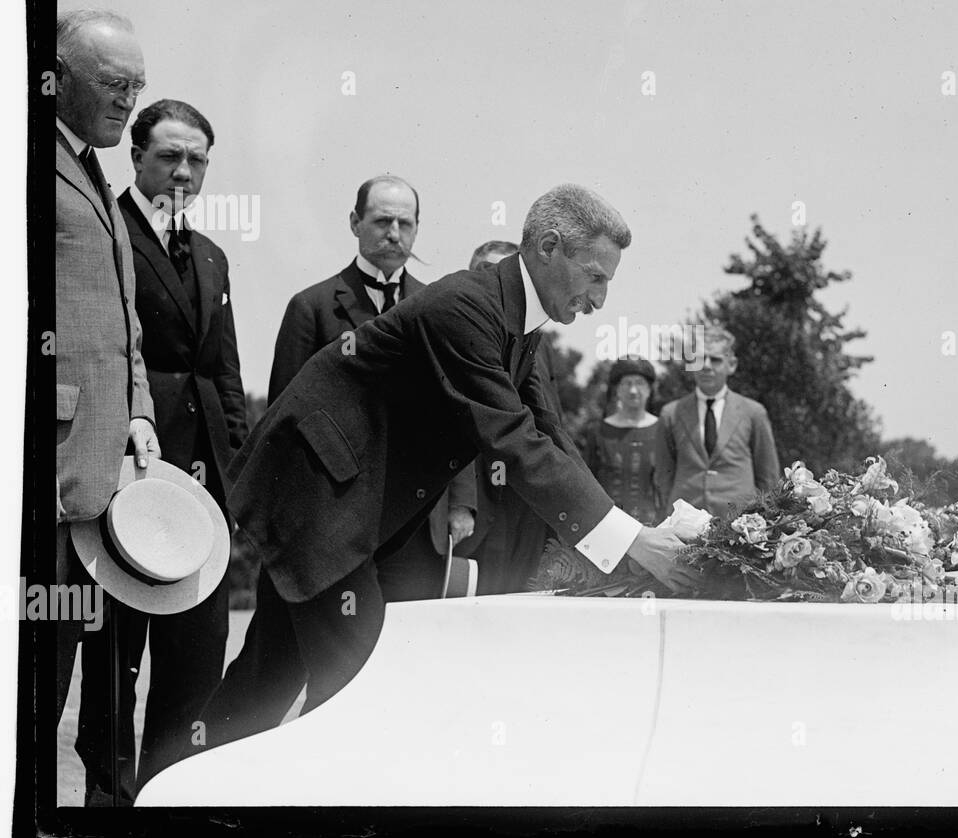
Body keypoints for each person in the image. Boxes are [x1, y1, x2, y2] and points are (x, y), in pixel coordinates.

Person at [198, 183, 687, 749]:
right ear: (549, 247)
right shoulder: (466, 307)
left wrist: (633, 538)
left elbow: (551, 434)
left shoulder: (517, 321)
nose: (600, 299)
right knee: (360, 685)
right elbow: (513, 440)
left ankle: (166, 801)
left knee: (266, 677)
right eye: (595, 277)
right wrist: (633, 543)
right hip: (319, 499)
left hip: (345, 505)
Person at [84, 99, 247, 797]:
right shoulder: (106, 231)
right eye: (168, 156)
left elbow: (226, 375)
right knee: (116, 650)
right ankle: (108, 797)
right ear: (137, 157)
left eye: (197, 159)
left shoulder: (211, 256)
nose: (183, 171)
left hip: (203, 488)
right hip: (132, 472)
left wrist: (238, 480)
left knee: (195, 653)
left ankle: (167, 792)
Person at [265, 174, 475, 588]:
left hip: (419, 516)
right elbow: (283, 421)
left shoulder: (440, 308)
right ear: (354, 222)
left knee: (412, 637)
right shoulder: (313, 307)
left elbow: (458, 411)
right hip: (337, 516)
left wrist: (462, 502)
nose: (394, 234)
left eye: (405, 224)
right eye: (381, 222)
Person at [52, 8, 161, 805]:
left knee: (66, 678)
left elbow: (118, 321)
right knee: (29, 695)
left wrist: (138, 410)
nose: (130, 101)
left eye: (138, 88)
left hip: (100, 474)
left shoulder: (91, 168)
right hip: (42, 472)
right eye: (115, 85)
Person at [465, 239, 564, 593]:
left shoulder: (538, 342)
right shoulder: (460, 331)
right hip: (474, 500)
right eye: (485, 274)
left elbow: (551, 422)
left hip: (526, 503)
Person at [654, 325, 780, 519]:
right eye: (699, 358)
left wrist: (764, 521)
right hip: (685, 523)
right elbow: (663, 475)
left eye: (715, 359)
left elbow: (768, 477)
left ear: (732, 365)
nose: (706, 365)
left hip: (739, 525)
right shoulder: (671, 413)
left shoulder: (753, 412)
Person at [584, 356, 662, 525]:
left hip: (654, 526)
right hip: (606, 524)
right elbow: (587, 482)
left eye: (639, 383)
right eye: (627, 383)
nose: (633, 390)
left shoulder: (663, 430)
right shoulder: (597, 431)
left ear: (650, 389)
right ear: (616, 389)